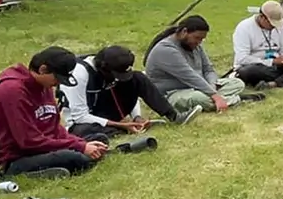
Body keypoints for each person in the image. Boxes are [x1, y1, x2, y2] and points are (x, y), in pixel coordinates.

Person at [0, 47, 108, 179]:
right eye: (57, 78)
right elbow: (28, 141)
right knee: (74, 158)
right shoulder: (12, 91)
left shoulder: (44, 87)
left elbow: (55, 130)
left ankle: (61, 165)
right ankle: (19, 173)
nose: (57, 84)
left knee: (99, 139)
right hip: (10, 158)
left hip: (35, 149)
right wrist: (79, 147)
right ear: (43, 69)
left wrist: (82, 144)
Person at [62, 45, 195, 138]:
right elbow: (80, 116)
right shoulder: (79, 73)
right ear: (104, 68)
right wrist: (122, 125)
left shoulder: (112, 67)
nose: (117, 79)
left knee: (138, 77)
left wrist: (136, 116)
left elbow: (131, 91)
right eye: (115, 75)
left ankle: (174, 116)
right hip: (85, 120)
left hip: (108, 110)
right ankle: (123, 129)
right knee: (84, 131)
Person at [146, 15, 259, 113]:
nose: (199, 42)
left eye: (202, 39)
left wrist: (212, 85)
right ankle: (235, 99)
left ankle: (221, 99)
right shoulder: (166, 49)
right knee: (199, 99)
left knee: (237, 83)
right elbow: (189, 76)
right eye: (197, 38)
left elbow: (208, 69)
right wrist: (214, 95)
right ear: (184, 32)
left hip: (198, 86)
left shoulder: (195, 46)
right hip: (173, 93)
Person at [232, 0, 283, 88]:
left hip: (278, 66)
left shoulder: (280, 27)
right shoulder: (244, 28)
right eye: (271, 23)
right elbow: (242, 58)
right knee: (248, 71)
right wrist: (271, 62)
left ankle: (272, 84)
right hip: (256, 66)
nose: (274, 26)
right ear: (262, 17)